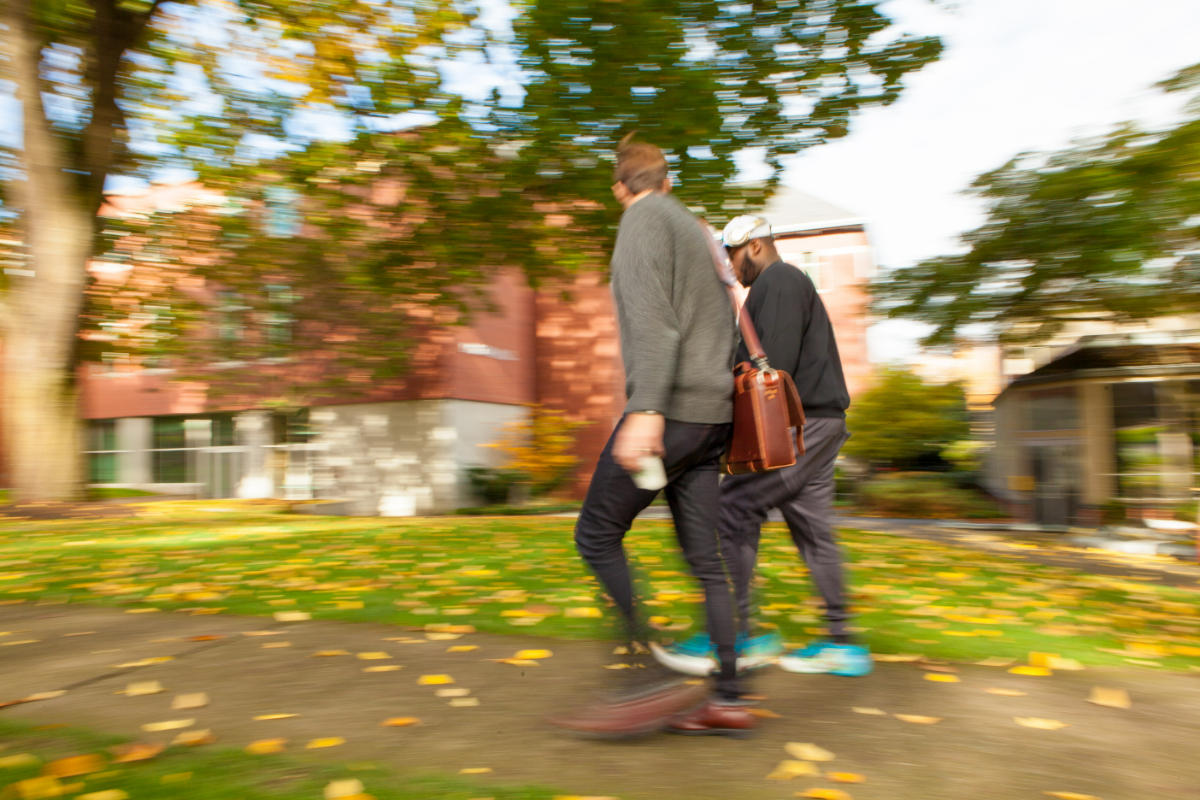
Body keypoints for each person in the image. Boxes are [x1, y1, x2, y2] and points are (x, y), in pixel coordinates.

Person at [557, 136, 754, 738]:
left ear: (622, 188)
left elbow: (653, 325)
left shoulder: (642, 221)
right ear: (666, 179)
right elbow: (723, 320)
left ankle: (646, 676)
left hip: (671, 412)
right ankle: (727, 697)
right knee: (706, 562)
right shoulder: (697, 233)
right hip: (712, 418)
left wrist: (645, 409)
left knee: (595, 534)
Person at [651, 214, 872, 679]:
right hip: (819, 423)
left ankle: (734, 636)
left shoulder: (780, 280)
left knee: (733, 508)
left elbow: (766, 367)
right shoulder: (784, 285)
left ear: (753, 246)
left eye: (733, 256)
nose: (732, 268)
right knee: (812, 530)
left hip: (800, 425)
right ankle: (842, 644)